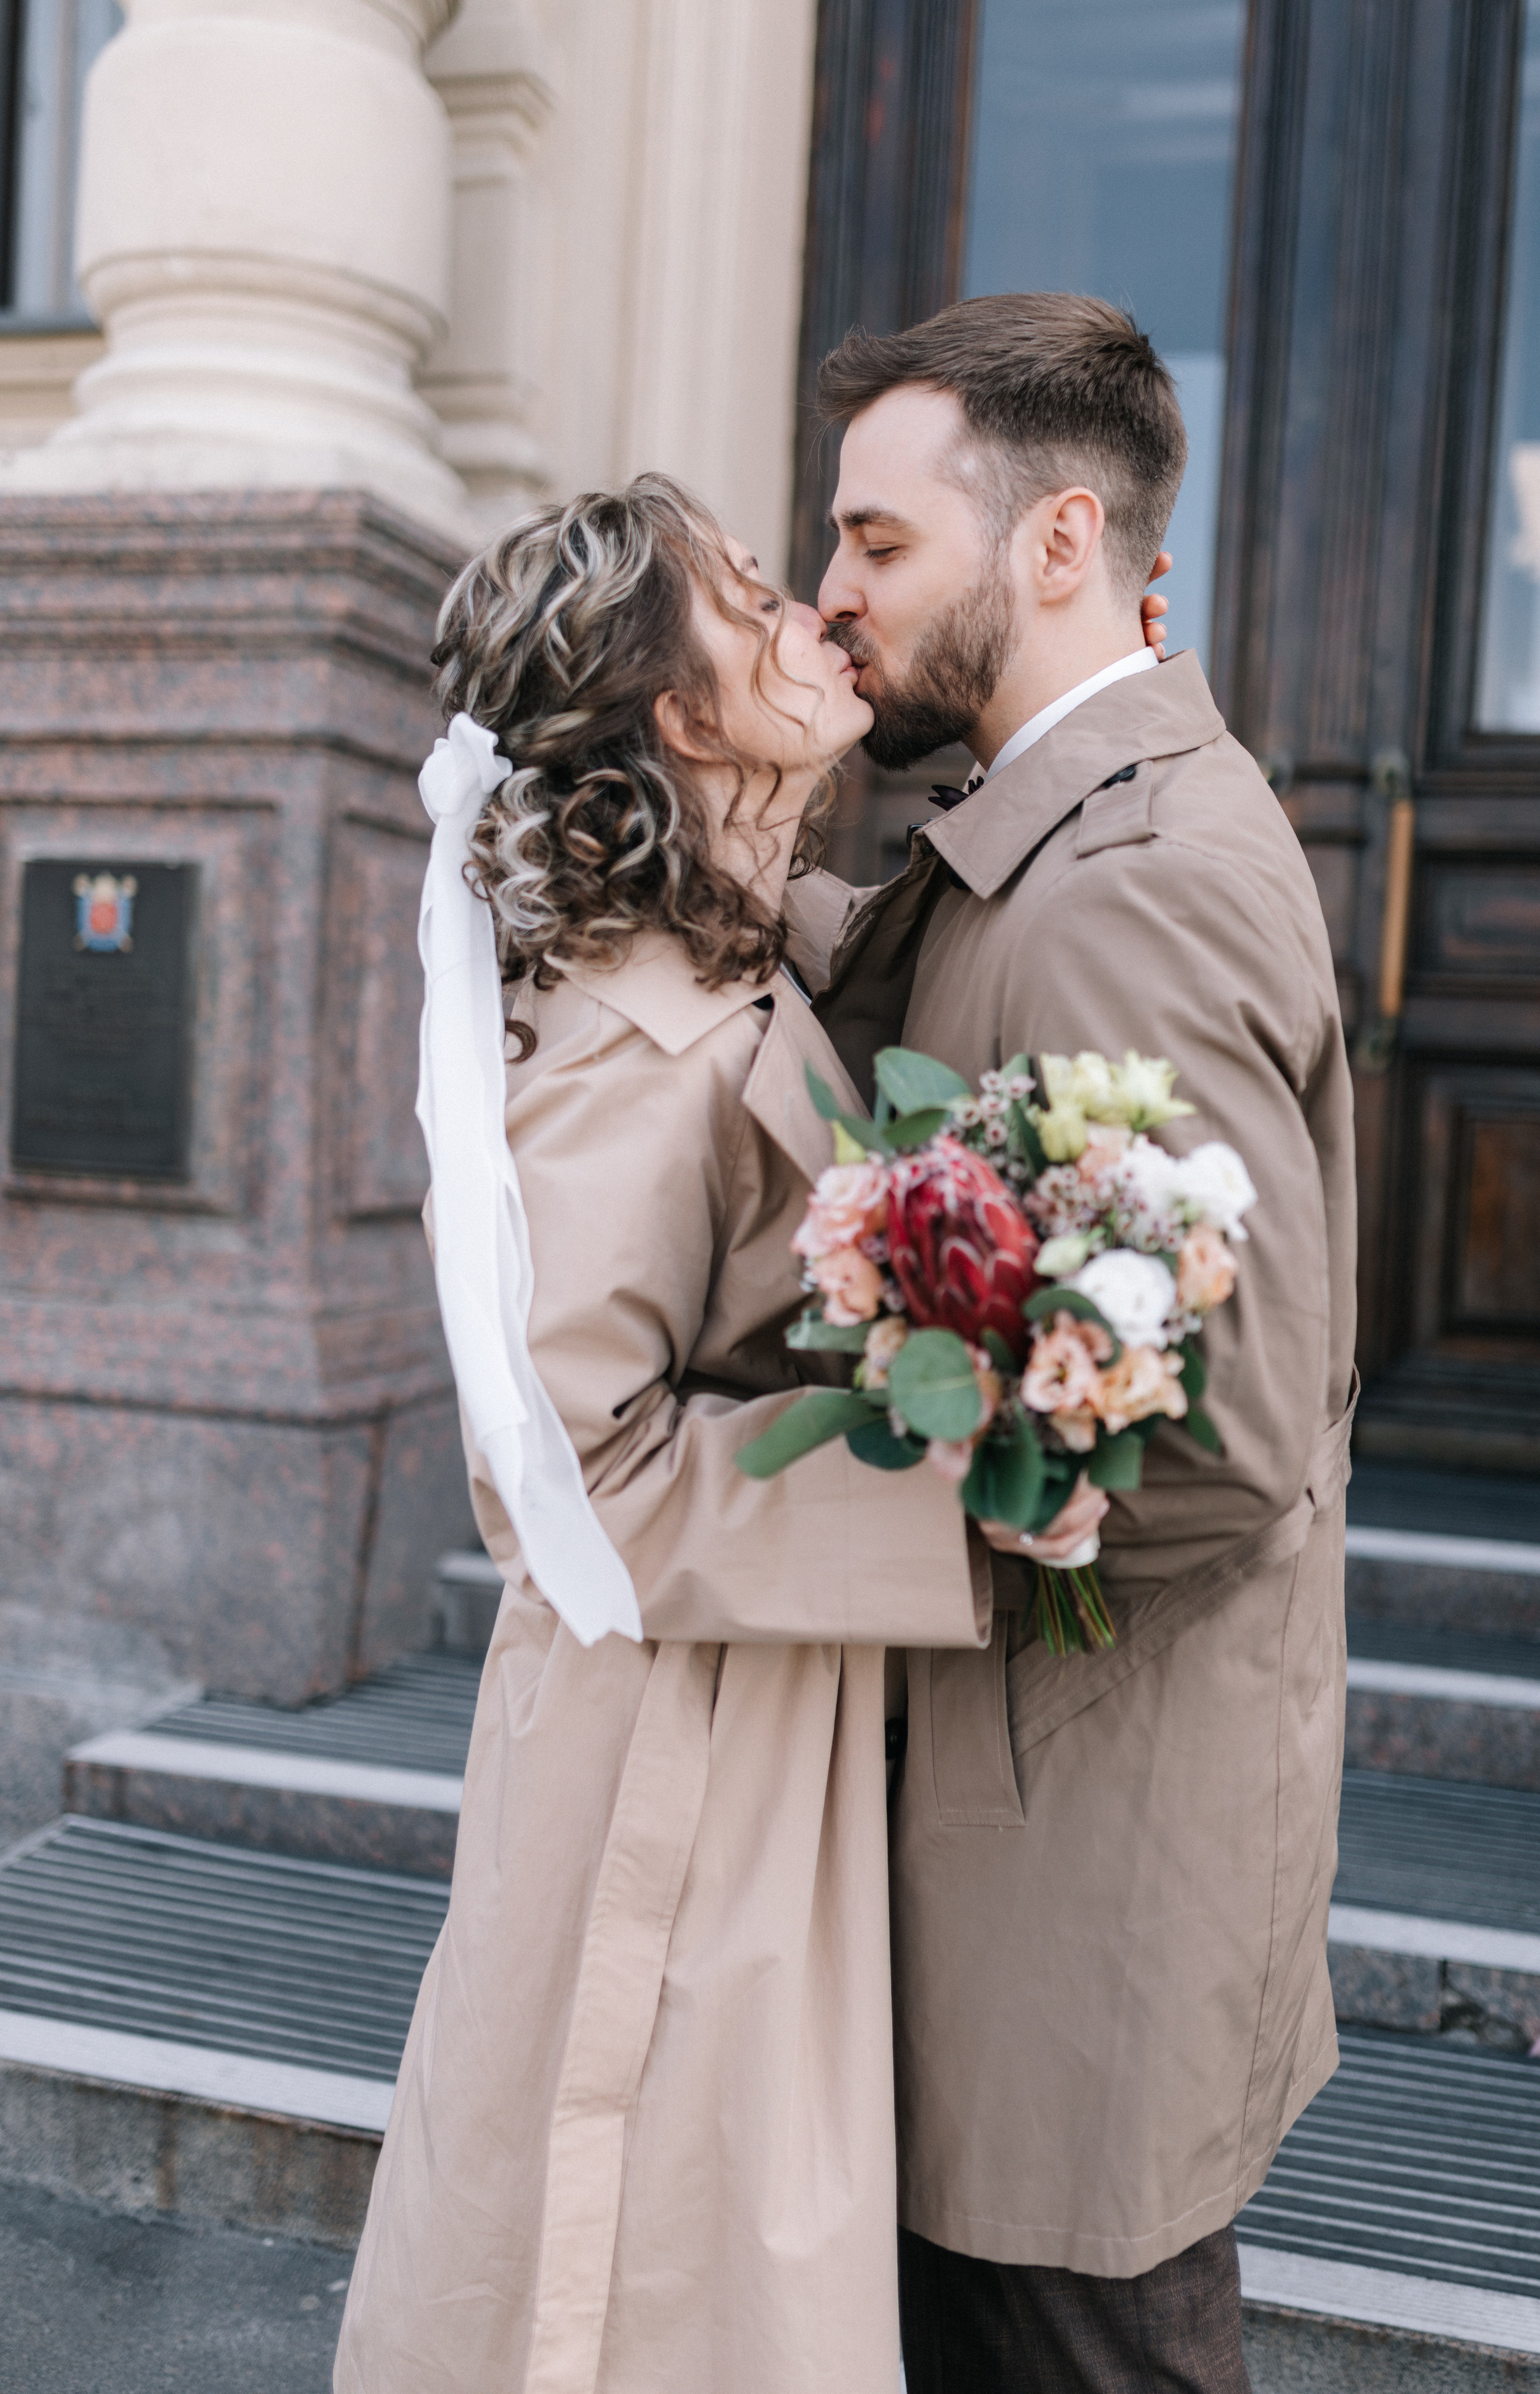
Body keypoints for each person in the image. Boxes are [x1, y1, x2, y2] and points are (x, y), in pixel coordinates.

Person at [332, 473, 1107, 2394]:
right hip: (670, 1750)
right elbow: (571, 1476)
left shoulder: (726, 949)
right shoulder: (625, 1036)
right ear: (683, 718)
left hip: (750, 1707)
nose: (814, 616)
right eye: (754, 603)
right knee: (648, 2271)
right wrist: (962, 1486)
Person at [792, 293, 1359, 2394]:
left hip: (1077, 1855)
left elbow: (1221, 1437)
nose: (833, 594)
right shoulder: (1048, 827)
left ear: (1057, 544)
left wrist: (855, 1534)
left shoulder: (1129, 878)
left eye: (877, 542)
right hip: (1041, 1825)